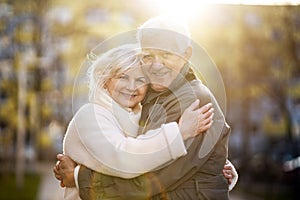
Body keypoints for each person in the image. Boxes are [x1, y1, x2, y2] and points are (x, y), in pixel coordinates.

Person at [54, 16, 238, 199]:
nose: (157, 65)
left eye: (167, 54)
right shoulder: (152, 98)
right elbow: (137, 152)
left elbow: (146, 181)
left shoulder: (192, 103)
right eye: (148, 56)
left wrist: (79, 178)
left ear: (186, 54)